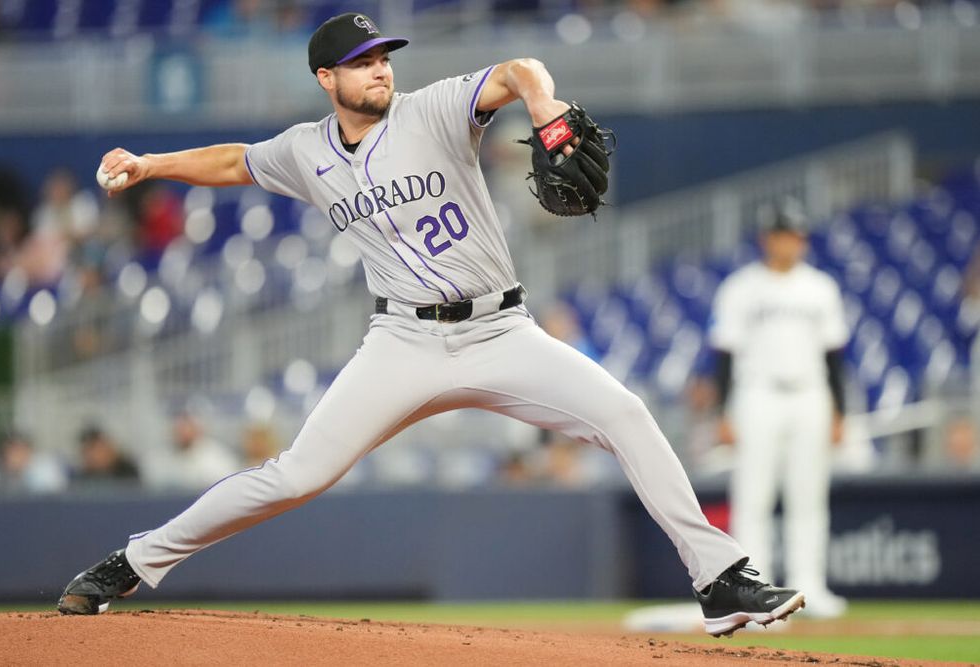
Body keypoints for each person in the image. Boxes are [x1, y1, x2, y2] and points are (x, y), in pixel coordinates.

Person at [57, 13, 805, 636]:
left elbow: (517, 70)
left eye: (383, 56)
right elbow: (234, 162)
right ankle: (133, 563)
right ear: (328, 80)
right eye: (361, 62)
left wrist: (545, 113)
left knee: (626, 413)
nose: (380, 69)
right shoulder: (306, 151)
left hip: (501, 332)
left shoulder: (434, 109)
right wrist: (153, 164)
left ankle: (720, 580)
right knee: (296, 474)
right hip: (403, 342)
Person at [709, 199, 849, 619]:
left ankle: (812, 587)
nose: (788, 242)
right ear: (766, 238)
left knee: (809, 496)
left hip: (811, 394)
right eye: (781, 234)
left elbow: (834, 356)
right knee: (753, 496)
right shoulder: (740, 287)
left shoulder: (821, 287)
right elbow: (725, 356)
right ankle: (755, 590)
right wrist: (723, 412)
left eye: (795, 235)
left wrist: (839, 411)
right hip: (757, 394)